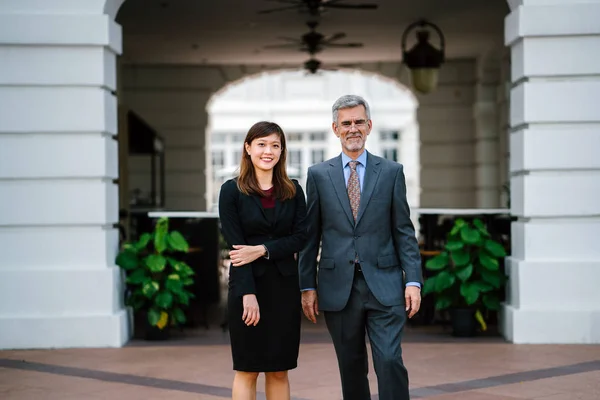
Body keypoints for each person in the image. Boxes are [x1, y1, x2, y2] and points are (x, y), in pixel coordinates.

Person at [298, 95, 422, 400]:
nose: (353, 128)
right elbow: (309, 236)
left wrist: (413, 280)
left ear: (369, 126)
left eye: (358, 122)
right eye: (346, 123)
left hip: (385, 284)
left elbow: (404, 231)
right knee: (351, 365)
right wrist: (306, 286)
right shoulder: (318, 175)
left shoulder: (391, 172)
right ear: (335, 128)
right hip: (338, 287)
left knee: (390, 360)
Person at [218, 121, 307, 400]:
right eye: (262, 144)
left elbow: (301, 237)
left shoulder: (293, 190)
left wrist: (261, 249)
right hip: (247, 286)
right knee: (248, 369)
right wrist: (247, 294)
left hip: (283, 289)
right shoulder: (231, 192)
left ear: (282, 151)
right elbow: (236, 249)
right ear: (248, 148)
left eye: (275, 145)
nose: (268, 151)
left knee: (280, 370)